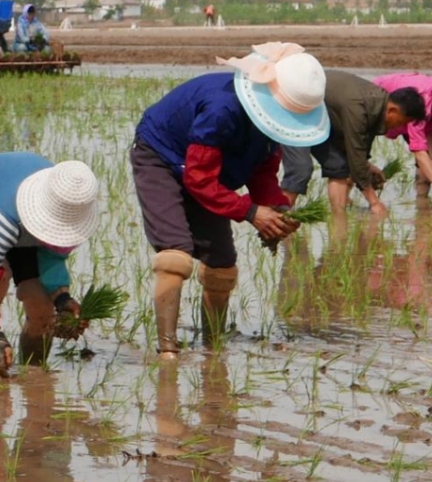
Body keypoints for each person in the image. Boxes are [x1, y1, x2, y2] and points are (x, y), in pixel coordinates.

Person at [131, 42, 329, 359]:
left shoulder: (269, 126)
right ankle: (167, 349)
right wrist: (250, 212)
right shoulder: (222, 109)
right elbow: (198, 179)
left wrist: (274, 208)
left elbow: (262, 171)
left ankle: (213, 345)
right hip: (162, 157)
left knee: (222, 266)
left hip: (207, 170)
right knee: (175, 255)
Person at [0, 153, 101, 376]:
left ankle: (33, 373)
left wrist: (62, 298)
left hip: (22, 211)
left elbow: (52, 257)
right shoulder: (4, 218)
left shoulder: (71, 208)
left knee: (40, 302)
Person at [280, 70, 426, 217]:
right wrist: (374, 202)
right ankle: (280, 219)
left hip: (316, 117)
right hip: (293, 110)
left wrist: (367, 165)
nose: (399, 128)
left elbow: (358, 146)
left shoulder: (378, 104)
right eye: (401, 122)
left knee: (338, 166)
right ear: (392, 111)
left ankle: (338, 219)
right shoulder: (359, 107)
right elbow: (355, 151)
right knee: (301, 169)